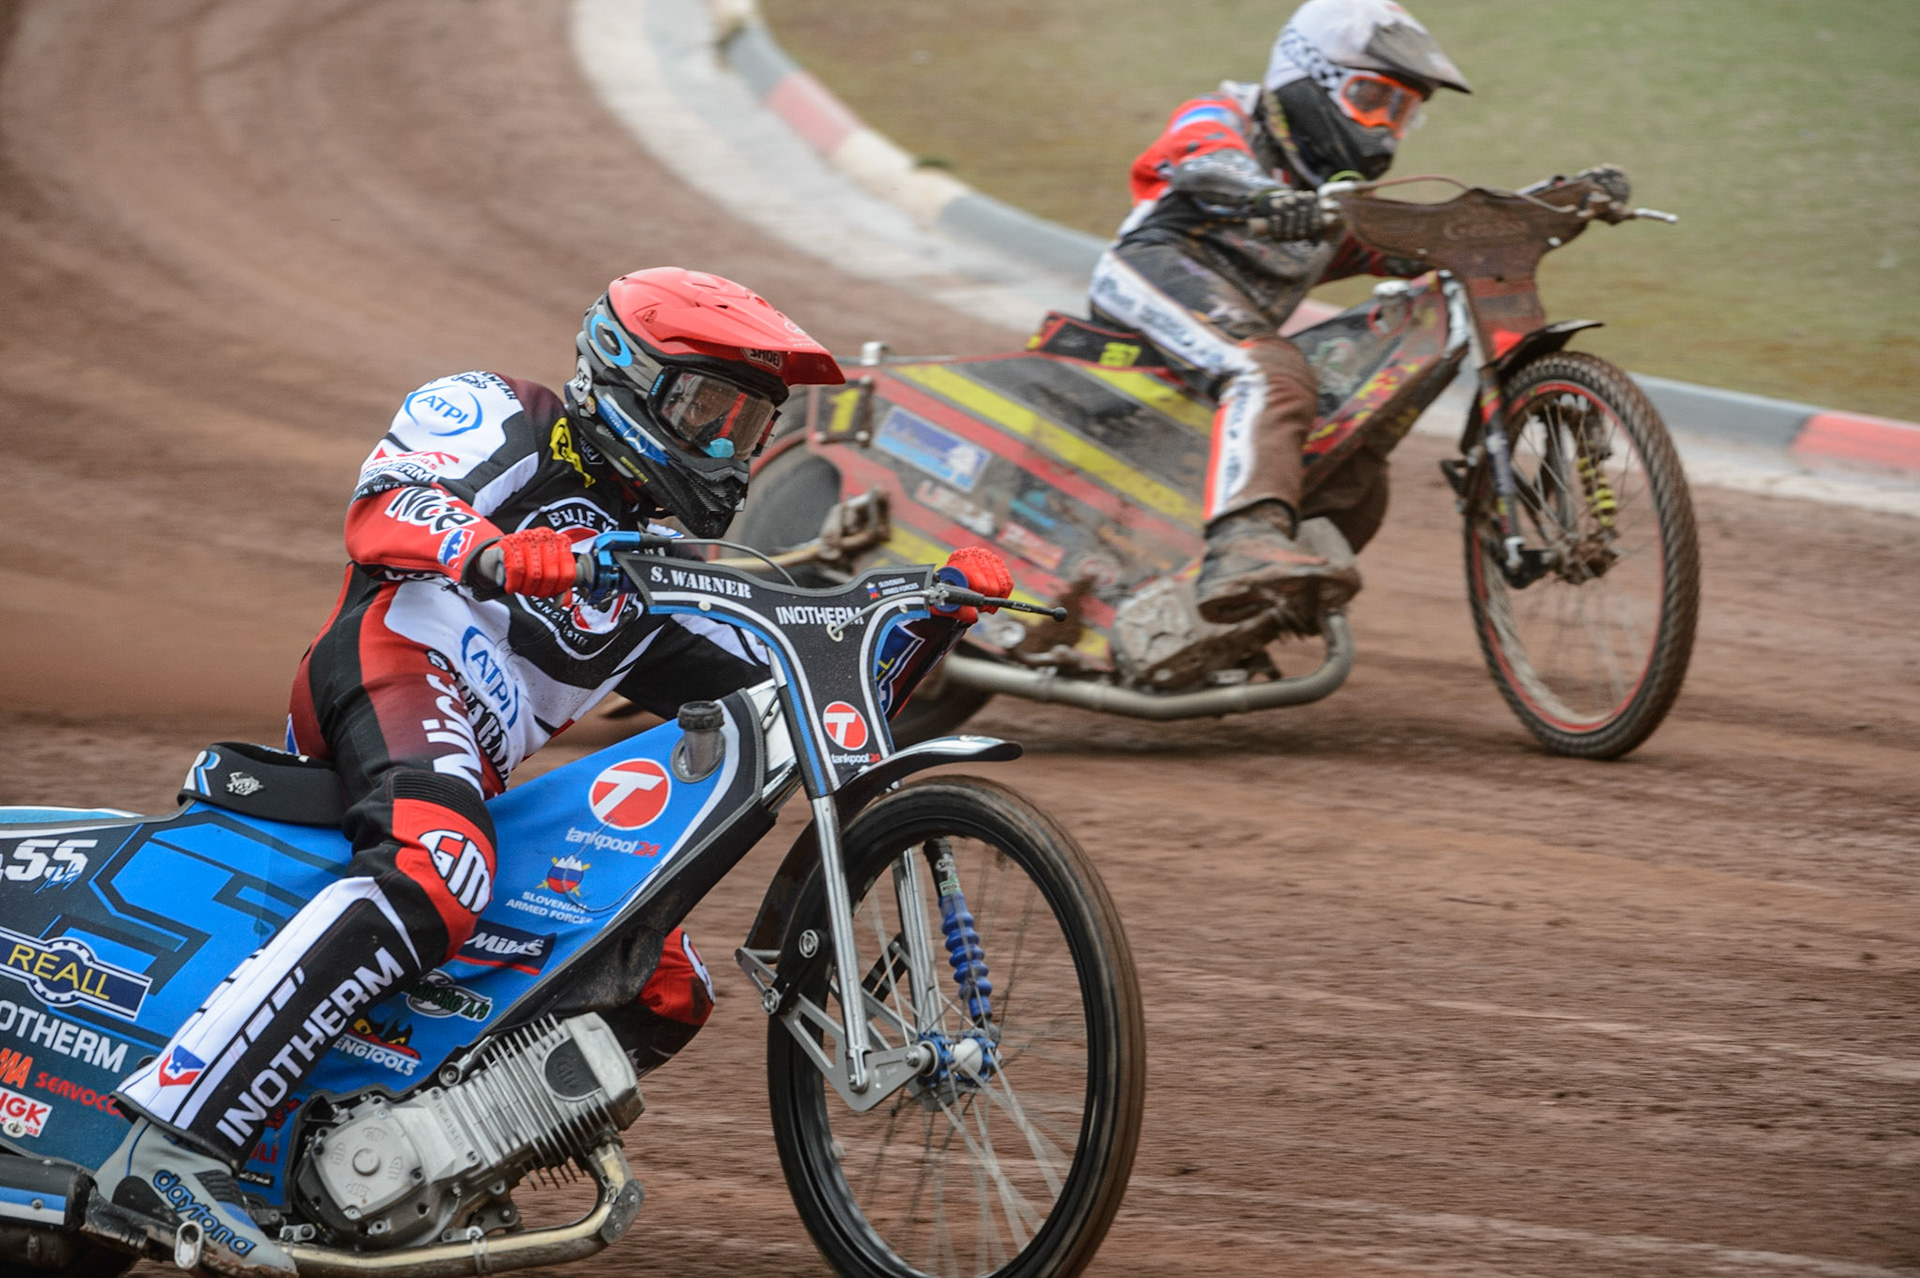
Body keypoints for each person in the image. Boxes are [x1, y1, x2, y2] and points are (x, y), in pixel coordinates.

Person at [93, 267, 1014, 1274]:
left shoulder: (655, 570)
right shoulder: (499, 413)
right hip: (395, 661)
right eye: (708, 412)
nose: (727, 448)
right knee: (441, 868)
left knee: (658, 985)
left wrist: (926, 618)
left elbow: (800, 696)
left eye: (747, 428)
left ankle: (412, 1162)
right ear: (625, 375)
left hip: (474, 774)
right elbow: (383, 507)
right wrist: (491, 551)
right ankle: (172, 1137)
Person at [1087, 0, 1471, 623]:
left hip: (1228, 330)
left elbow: (1397, 246)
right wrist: (1266, 195)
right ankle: (1241, 548)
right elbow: (1205, 162)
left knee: (1353, 448)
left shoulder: (1331, 198)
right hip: (1148, 278)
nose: (1383, 127)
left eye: (1401, 110)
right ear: (1308, 75)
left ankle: (1248, 609)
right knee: (1271, 372)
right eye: (1370, 98)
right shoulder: (1225, 115)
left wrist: (1528, 214)